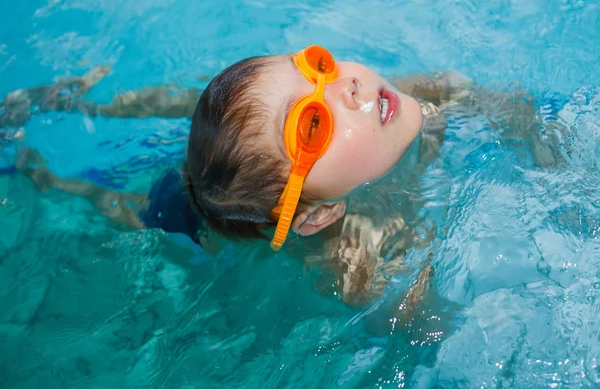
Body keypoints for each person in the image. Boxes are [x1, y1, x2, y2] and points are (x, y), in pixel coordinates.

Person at [1, 46, 564, 307]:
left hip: (220, 150)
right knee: (123, 207)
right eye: (313, 122)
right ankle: (40, 175)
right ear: (320, 214)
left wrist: (538, 140)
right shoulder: (349, 258)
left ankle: (69, 100)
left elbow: (462, 88)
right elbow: (407, 321)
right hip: (186, 216)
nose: (347, 84)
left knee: (190, 105)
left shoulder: (383, 98)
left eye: (316, 66)